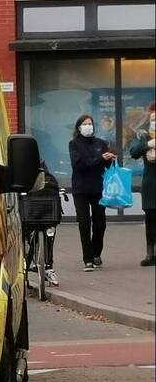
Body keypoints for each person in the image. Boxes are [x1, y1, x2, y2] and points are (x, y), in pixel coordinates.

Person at [68, 114, 116, 271]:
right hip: (80, 189)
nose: (88, 126)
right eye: (85, 124)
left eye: (90, 123)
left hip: (97, 189)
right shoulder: (74, 144)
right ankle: (87, 259)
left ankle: (96, 254)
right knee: (84, 223)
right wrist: (100, 158)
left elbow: (106, 166)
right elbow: (79, 164)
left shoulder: (101, 143)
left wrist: (109, 159)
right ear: (79, 127)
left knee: (100, 223)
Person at [129, 102, 156, 266]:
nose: (154, 121)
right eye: (152, 119)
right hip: (150, 184)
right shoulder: (144, 136)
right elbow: (133, 152)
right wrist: (148, 145)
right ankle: (150, 253)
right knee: (150, 219)